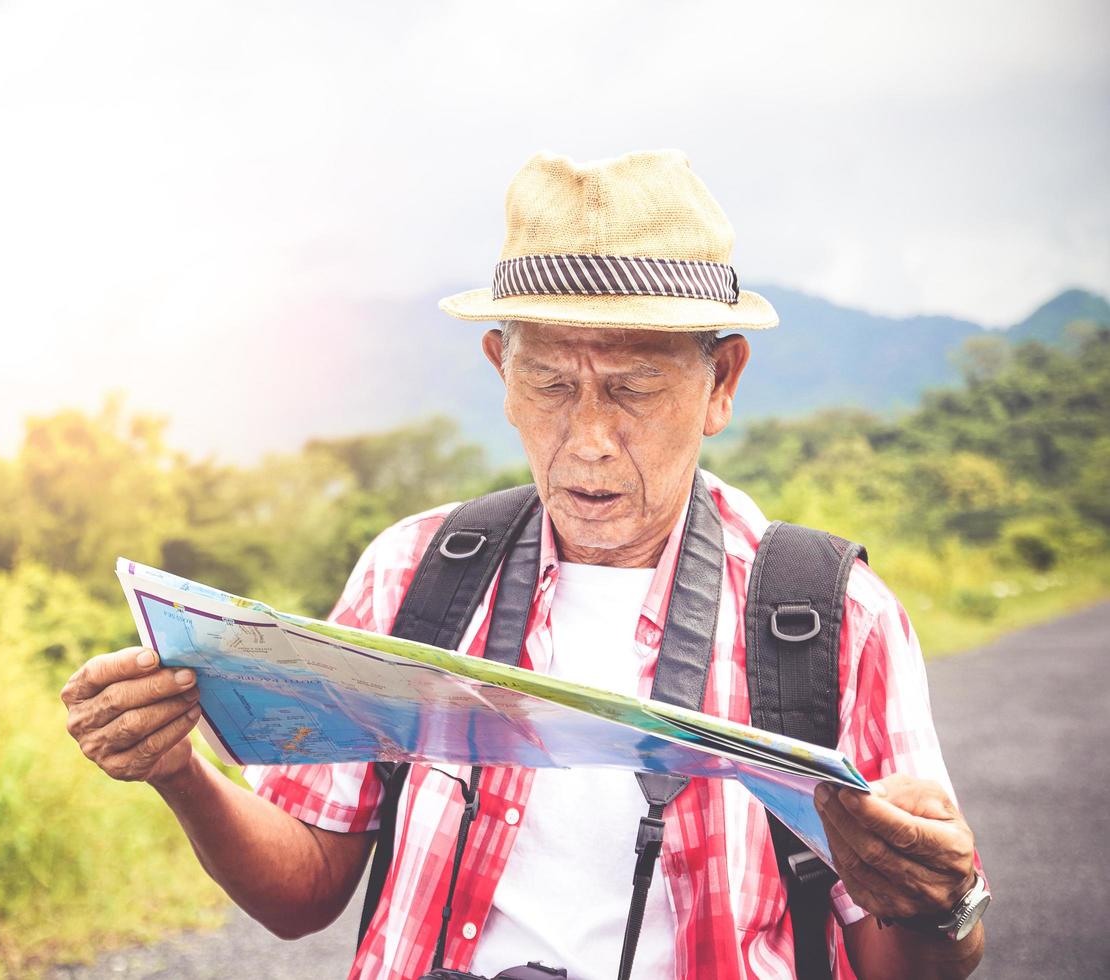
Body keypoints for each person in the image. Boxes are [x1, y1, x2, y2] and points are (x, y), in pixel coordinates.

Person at [60, 150, 988, 980]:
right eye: (549, 383)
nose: (586, 441)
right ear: (500, 370)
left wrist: (935, 903)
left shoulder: (830, 617)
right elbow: (304, 894)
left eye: (634, 388)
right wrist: (178, 768)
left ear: (723, 382)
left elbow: (911, 962)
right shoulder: (414, 571)